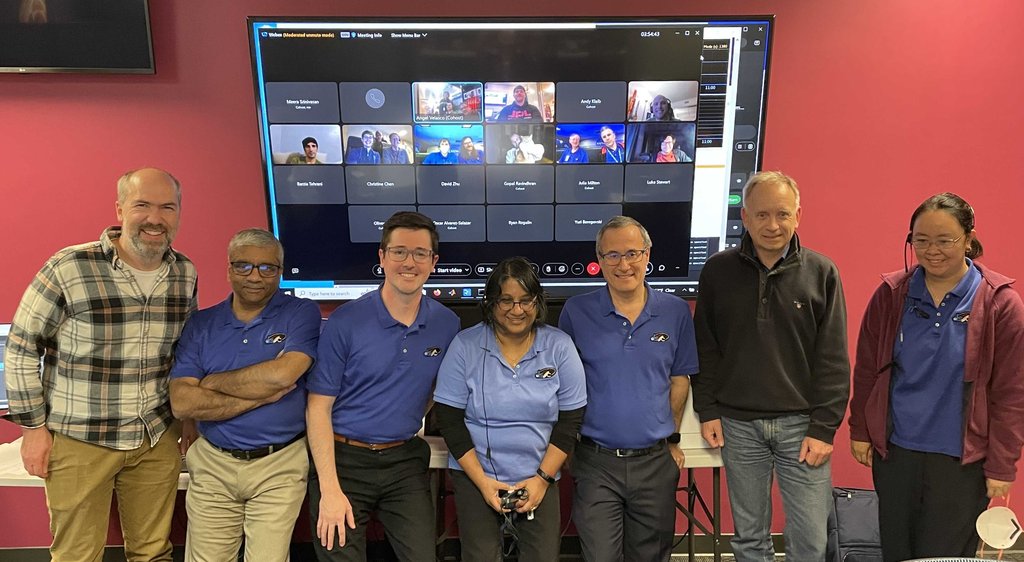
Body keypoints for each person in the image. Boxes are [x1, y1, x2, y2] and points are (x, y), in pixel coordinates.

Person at [3, 167, 198, 561]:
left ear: (178, 213)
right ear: (120, 209)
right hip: (79, 439)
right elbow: (22, 348)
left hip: (155, 437)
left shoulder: (184, 273)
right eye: (142, 205)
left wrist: (188, 417)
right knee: (77, 554)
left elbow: (186, 353)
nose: (155, 218)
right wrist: (34, 430)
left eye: (167, 207)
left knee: (153, 552)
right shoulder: (70, 266)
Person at [848, 193, 1024, 561]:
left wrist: (1002, 464)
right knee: (898, 551)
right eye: (921, 240)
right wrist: (860, 429)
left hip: (961, 461)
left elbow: (1011, 394)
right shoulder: (891, 294)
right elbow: (867, 369)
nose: (932, 250)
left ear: (969, 239)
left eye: (945, 240)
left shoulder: (1000, 304)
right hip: (896, 452)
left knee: (944, 555)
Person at [692, 171, 850, 561]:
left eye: (782, 214)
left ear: (799, 215)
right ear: (744, 217)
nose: (772, 225)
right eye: (761, 215)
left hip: (803, 427)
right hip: (738, 426)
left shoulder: (822, 273)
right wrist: (708, 410)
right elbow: (706, 349)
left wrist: (824, 427)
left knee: (810, 540)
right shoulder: (717, 271)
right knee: (749, 540)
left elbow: (833, 358)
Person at [306, 211, 460, 561]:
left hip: (403, 462)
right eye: (399, 251)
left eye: (420, 253)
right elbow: (318, 407)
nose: (410, 262)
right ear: (382, 257)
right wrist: (329, 490)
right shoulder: (345, 322)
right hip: (343, 462)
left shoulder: (446, 324)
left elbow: (437, 388)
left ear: (433, 261)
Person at [169, 228, 320, 562]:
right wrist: (261, 397)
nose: (256, 276)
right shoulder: (201, 324)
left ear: (280, 272)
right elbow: (182, 402)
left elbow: (283, 374)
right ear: (228, 269)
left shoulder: (301, 314)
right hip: (213, 462)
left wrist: (208, 382)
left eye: (268, 268)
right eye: (244, 266)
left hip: (279, 463)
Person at [559, 216, 698, 562]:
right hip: (595, 462)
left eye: (633, 253)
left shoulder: (676, 311)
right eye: (613, 255)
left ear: (647, 255)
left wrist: (672, 439)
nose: (624, 264)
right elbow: (562, 389)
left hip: (654, 462)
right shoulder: (576, 312)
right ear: (599, 260)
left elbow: (679, 379)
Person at [434, 257, 587, 560]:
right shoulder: (465, 346)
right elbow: (449, 420)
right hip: (477, 477)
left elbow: (570, 420)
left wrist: (542, 479)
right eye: (506, 301)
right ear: (490, 303)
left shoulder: (560, 346)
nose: (517, 310)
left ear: (537, 302)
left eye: (525, 300)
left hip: (540, 476)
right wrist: (482, 481)